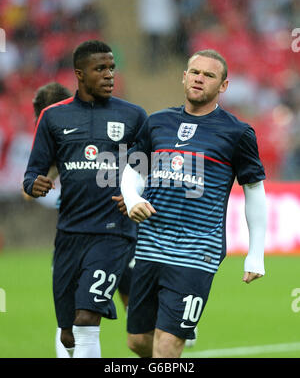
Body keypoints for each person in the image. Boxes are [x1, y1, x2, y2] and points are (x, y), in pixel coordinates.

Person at [121, 49, 267, 358]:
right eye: (195, 72)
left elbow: (254, 190)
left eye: (209, 75)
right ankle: (182, 329)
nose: (200, 78)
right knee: (137, 341)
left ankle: (179, 330)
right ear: (184, 76)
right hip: (149, 245)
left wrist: (256, 254)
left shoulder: (237, 133)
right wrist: (132, 198)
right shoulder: (157, 122)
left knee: (167, 346)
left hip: (197, 252)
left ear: (223, 86)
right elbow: (133, 170)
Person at [23, 40, 148, 358]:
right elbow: (33, 172)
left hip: (113, 233)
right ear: (80, 74)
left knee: (86, 318)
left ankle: (164, 323)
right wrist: (33, 183)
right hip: (69, 235)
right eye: (100, 69)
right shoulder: (53, 118)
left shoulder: (133, 116)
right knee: (68, 334)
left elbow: (147, 169)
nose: (109, 75)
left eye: (111, 68)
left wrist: (134, 194)